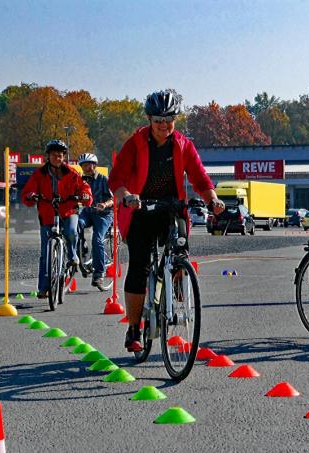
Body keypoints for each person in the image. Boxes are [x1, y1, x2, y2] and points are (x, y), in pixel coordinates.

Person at [109, 90, 226, 352]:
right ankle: (134, 328)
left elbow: (200, 178)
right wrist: (126, 196)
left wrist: (213, 199)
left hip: (172, 209)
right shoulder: (136, 143)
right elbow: (116, 178)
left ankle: (177, 284)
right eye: (158, 120)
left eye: (169, 119)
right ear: (149, 119)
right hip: (141, 209)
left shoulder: (183, 145)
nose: (164, 125)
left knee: (180, 251)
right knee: (139, 266)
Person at [21, 139, 92, 299]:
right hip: (48, 214)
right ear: (48, 156)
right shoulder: (39, 174)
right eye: (54, 155)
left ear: (64, 157)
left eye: (60, 155)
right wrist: (30, 195)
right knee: (45, 251)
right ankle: (44, 288)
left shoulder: (72, 173)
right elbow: (28, 191)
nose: (57, 158)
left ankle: (73, 256)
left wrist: (86, 194)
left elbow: (84, 187)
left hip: (68, 211)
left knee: (72, 231)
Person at [76, 153, 114, 290]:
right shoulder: (81, 181)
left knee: (97, 239)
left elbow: (113, 199)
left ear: (94, 165)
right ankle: (82, 247)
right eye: (83, 165)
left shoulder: (104, 179)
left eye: (88, 164)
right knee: (75, 225)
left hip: (104, 214)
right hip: (87, 212)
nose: (86, 167)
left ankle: (99, 273)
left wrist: (104, 204)